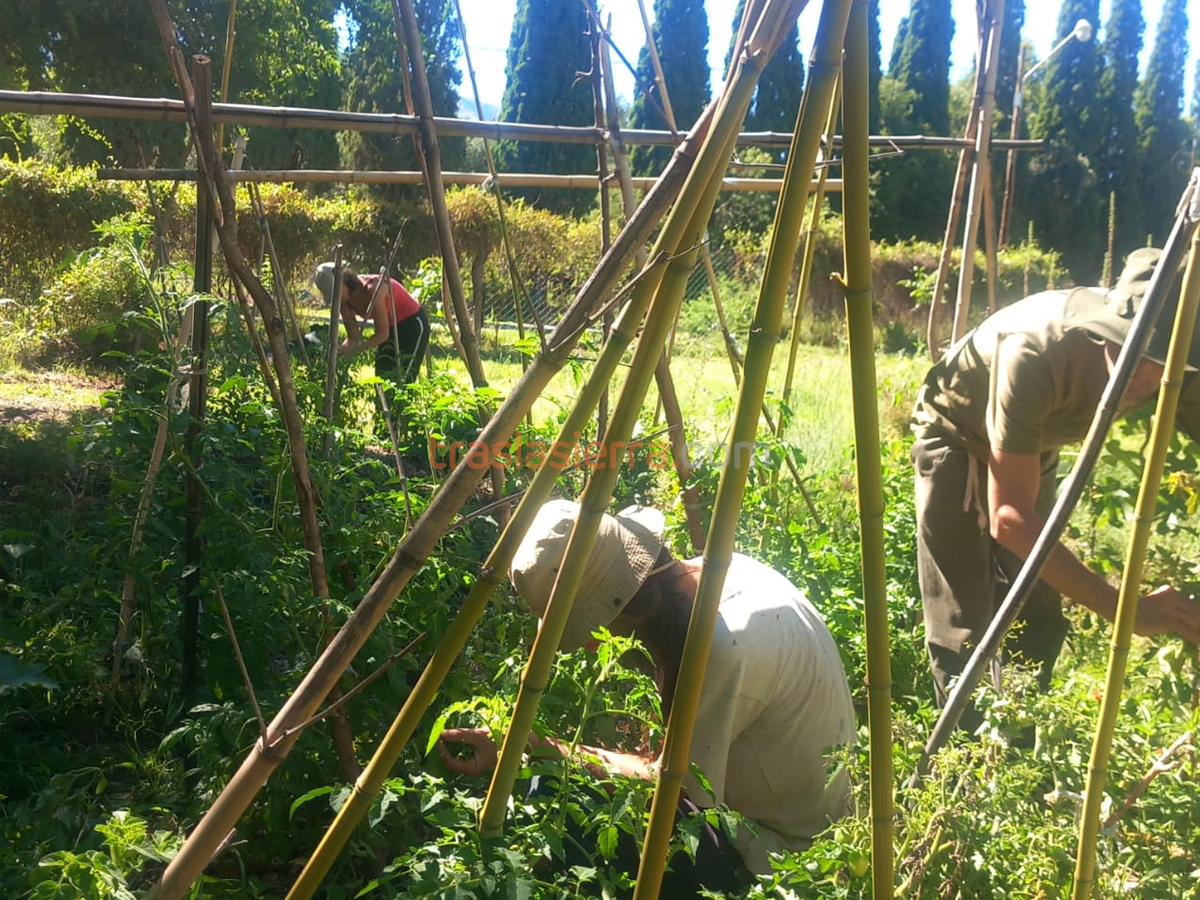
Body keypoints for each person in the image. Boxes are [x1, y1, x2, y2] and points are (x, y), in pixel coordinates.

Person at [437, 499, 856, 894]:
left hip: (786, 856)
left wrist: (539, 748)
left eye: (595, 626)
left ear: (631, 610)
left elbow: (676, 788)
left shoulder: (722, 647)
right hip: (815, 822)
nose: (590, 645)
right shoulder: (731, 574)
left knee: (557, 793)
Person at [911, 247, 1200, 724]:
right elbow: (1011, 520)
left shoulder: (1177, 360)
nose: (1138, 371)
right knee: (965, 619)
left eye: (1158, 360)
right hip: (958, 436)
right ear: (1106, 326)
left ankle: (1020, 742)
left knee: (1038, 613)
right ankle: (963, 762)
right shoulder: (1032, 350)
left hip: (1032, 445)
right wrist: (1129, 611)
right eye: (1124, 345)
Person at [313, 263, 429, 389]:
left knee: (403, 381)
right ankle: (382, 408)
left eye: (336, 292)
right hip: (389, 327)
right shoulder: (342, 302)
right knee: (381, 380)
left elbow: (382, 334)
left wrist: (356, 349)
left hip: (411, 324)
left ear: (345, 280)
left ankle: (400, 408)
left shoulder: (373, 290)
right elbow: (353, 337)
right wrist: (339, 351)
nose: (336, 298)